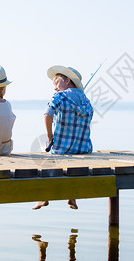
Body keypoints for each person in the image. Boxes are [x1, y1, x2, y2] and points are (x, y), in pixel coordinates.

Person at [33, 65, 93, 210]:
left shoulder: (61, 96)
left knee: (45, 158)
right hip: (84, 149)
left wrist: (50, 136)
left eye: (56, 83)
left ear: (67, 80)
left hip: (62, 149)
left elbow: (48, 114)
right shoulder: (87, 101)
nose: (55, 88)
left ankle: (43, 197)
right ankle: (72, 197)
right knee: (72, 163)